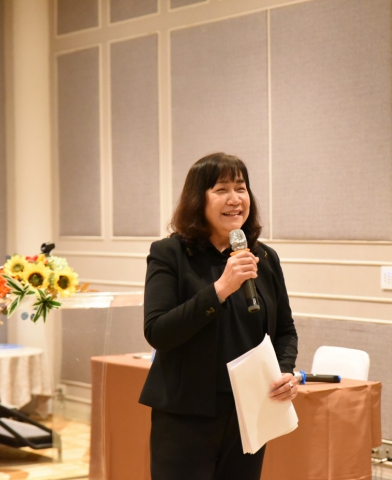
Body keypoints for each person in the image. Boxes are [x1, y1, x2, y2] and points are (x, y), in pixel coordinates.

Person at [139, 152, 299, 480]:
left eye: (241, 188)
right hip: (186, 414)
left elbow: (284, 329)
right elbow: (158, 331)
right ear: (198, 199)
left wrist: (284, 371)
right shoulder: (169, 254)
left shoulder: (264, 257)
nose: (234, 199)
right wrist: (220, 289)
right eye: (221, 189)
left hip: (250, 411)